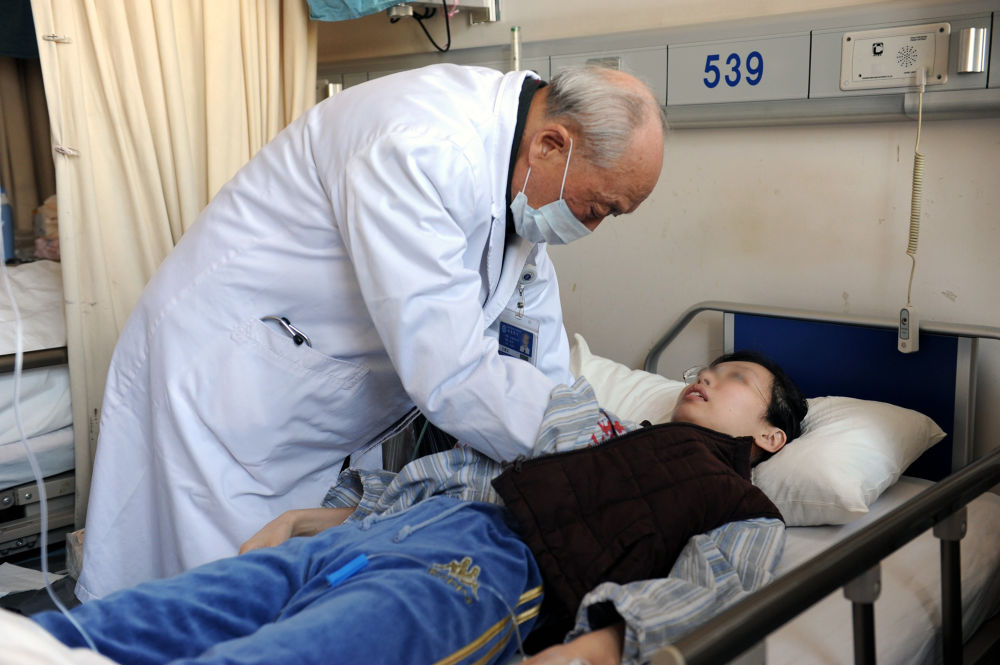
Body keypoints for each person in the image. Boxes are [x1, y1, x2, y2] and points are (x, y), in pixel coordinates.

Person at [77, 63, 668, 600]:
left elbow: (536, 346)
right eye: (598, 208)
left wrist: (584, 435)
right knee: (207, 604)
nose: (592, 226)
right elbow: (453, 373)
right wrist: (588, 444)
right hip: (223, 383)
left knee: (274, 596)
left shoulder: (523, 186)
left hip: (305, 404)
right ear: (551, 144)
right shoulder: (417, 145)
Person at [35, 352, 807, 665]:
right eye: (709, 366)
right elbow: (464, 476)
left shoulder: (742, 503)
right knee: (126, 621)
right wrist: (306, 521)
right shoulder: (591, 423)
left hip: (477, 575)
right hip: (385, 531)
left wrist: (581, 652)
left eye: (736, 377)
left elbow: (707, 592)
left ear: (771, 434)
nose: (708, 375)